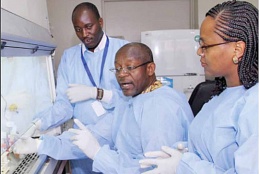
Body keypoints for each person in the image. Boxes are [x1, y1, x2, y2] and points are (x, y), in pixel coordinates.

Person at [14, 42, 194, 173]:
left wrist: (98, 154)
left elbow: (150, 169)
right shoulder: (131, 100)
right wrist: (40, 144)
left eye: (130, 68)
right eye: (117, 69)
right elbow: (98, 134)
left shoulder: (160, 107)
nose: (122, 75)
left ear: (150, 68)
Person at [139, 1, 258, 174]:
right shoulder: (219, 96)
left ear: (237, 49)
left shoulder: (254, 103)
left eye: (205, 46)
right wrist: (186, 152)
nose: (199, 52)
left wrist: (184, 166)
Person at [13, 2, 128, 174]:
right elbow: (64, 105)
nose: (84, 34)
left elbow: (131, 101)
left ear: (101, 22)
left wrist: (98, 93)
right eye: (78, 29)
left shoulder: (123, 50)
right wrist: (38, 123)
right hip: (78, 146)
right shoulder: (69, 57)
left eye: (89, 27)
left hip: (115, 140)